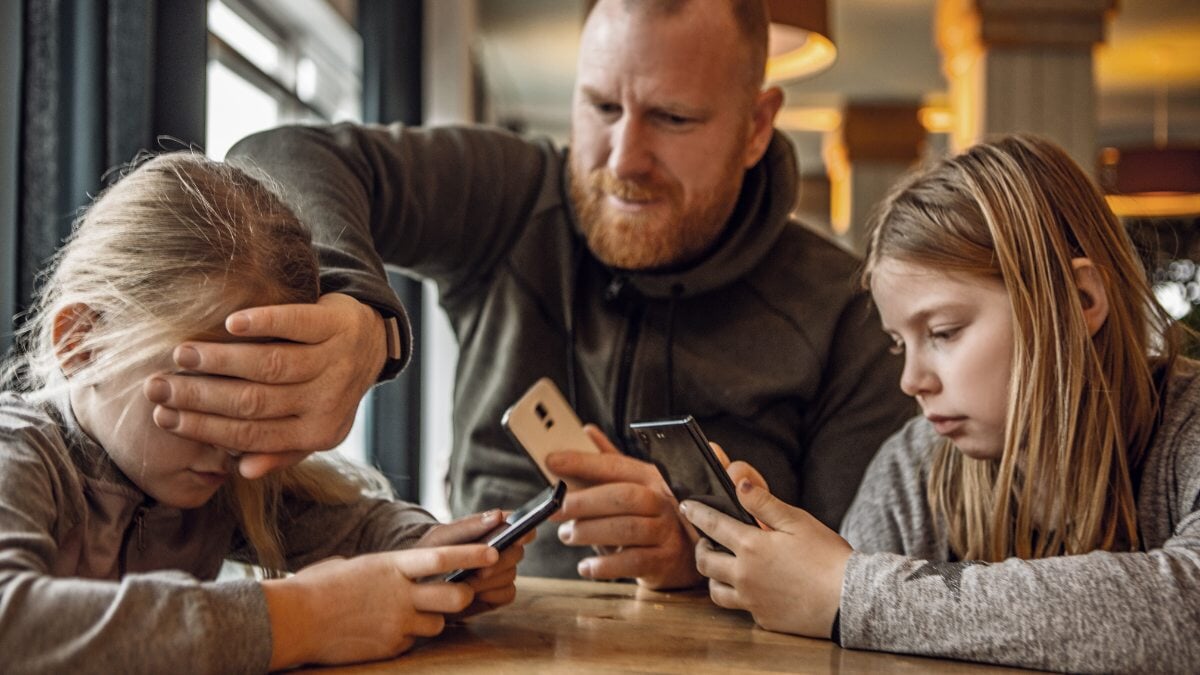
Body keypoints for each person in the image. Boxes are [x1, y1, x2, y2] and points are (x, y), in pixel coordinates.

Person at [142, 0, 914, 585]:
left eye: (673, 118)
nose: (624, 158)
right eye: (602, 107)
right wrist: (360, 309)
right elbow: (276, 153)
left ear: (757, 126)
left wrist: (703, 554)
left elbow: (861, 576)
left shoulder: (846, 311)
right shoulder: (513, 197)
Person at [679, 134, 1200, 672]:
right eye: (899, 343)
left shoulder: (1189, 426)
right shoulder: (913, 465)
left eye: (944, 332)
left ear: (1080, 301)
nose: (911, 381)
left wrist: (852, 593)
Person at [0, 153, 528, 673]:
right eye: (210, 389)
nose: (235, 437)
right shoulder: (16, 449)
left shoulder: (219, 486)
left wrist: (434, 558)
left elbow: (361, 527)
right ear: (82, 342)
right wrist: (308, 616)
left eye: (265, 396)